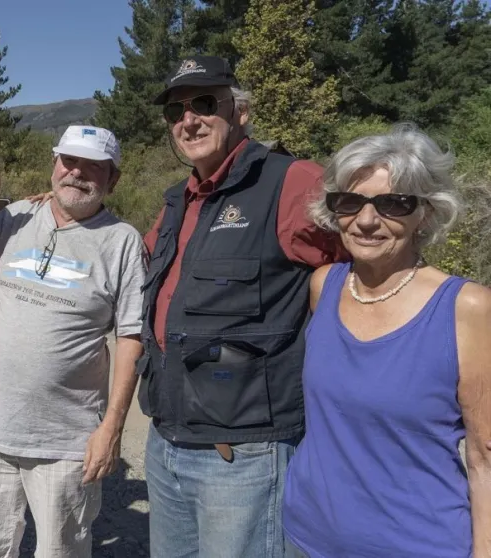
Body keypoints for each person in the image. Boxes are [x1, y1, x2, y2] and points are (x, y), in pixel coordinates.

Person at [139, 56, 345, 558]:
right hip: (167, 441)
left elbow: (370, 255)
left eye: (205, 104)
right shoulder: (177, 202)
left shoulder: (291, 182)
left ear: (240, 112)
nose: (188, 120)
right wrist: (58, 209)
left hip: (246, 453)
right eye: (175, 111)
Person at [281, 124, 491, 557]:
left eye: (394, 203)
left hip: (415, 545)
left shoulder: (466, 308)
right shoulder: (325, 286)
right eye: (350, 202)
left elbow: (484, 457)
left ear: (426, 214)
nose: (367, 220)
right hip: (306, 536)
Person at [0, 125, 146, 557]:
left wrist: (112, 429)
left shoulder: (122, 242)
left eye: (93, 167)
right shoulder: (15, 217)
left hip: (67, 443)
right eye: (69, 161)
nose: (77, 173)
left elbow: (131, 338)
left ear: (113, 179)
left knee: (60, 551)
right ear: (54, 165)